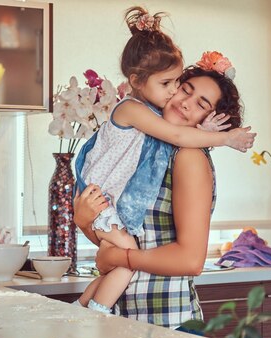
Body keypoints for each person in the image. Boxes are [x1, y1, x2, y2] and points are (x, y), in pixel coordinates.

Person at [74, 7, 255, 315]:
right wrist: (82, 219)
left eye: (201, 104)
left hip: (164, 318)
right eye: (184, 88)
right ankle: (82, 313)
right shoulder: (153, 144)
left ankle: (83, 313)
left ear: (209, 118)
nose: (183, 100)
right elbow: (116, 235)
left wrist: (120, 258)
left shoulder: (188, 157)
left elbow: (189, 261)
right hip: (129, 314)